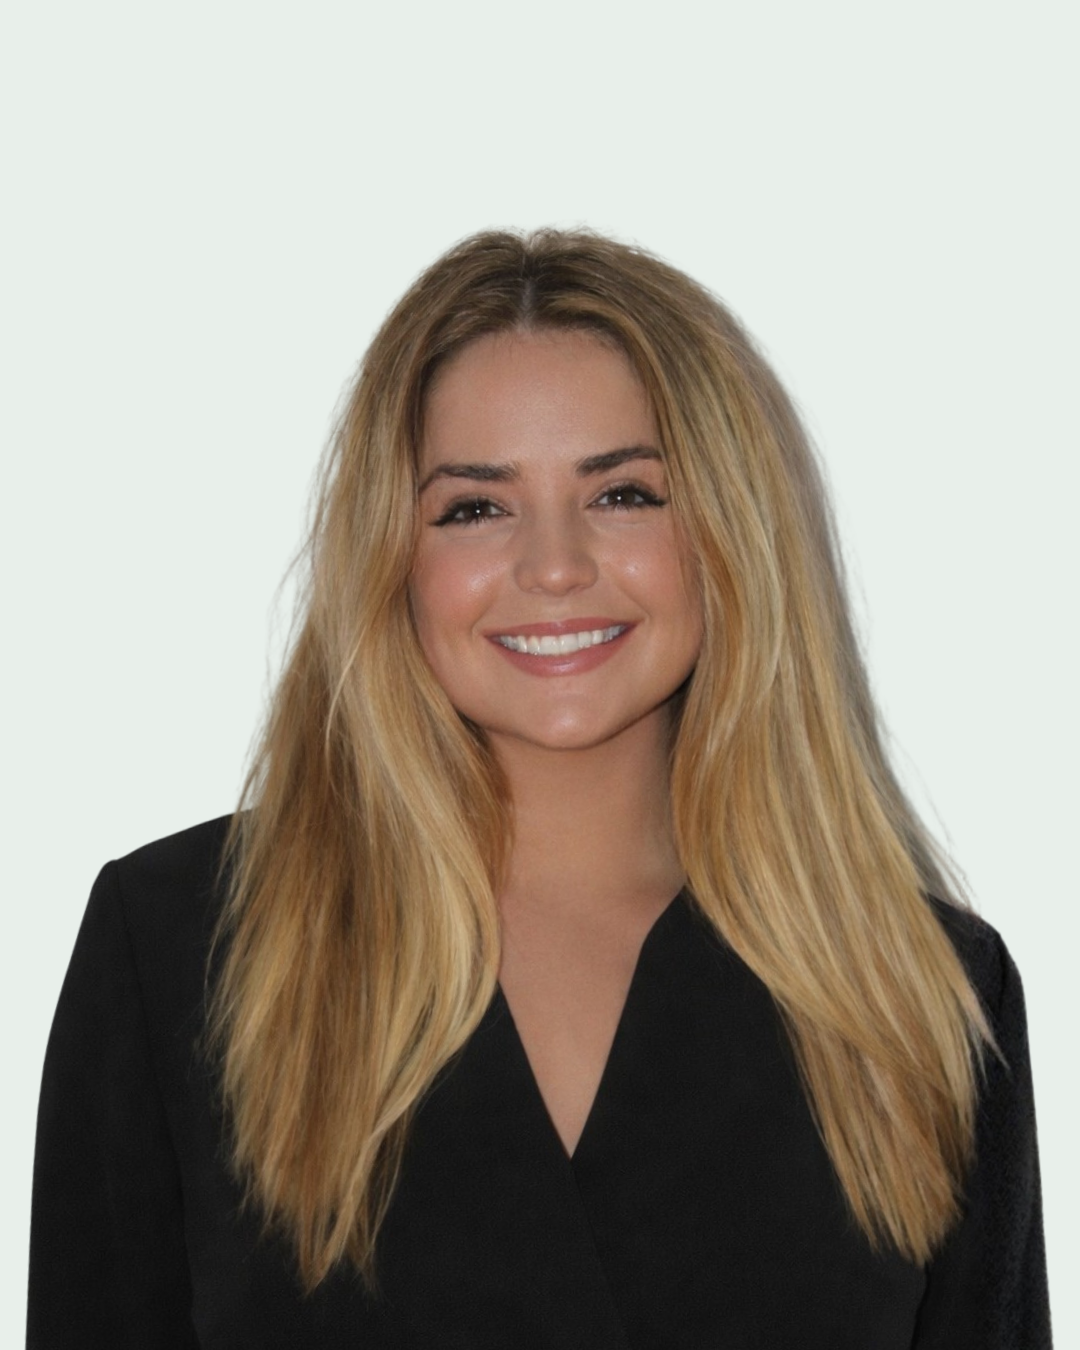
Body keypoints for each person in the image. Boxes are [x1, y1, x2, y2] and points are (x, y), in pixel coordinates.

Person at [28, 229, 1051, 1348]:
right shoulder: (180, 950)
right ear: (391, 557)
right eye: (475, 507)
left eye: (623, 494)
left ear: (729, 533)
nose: (554, 565)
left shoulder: (922, 993)